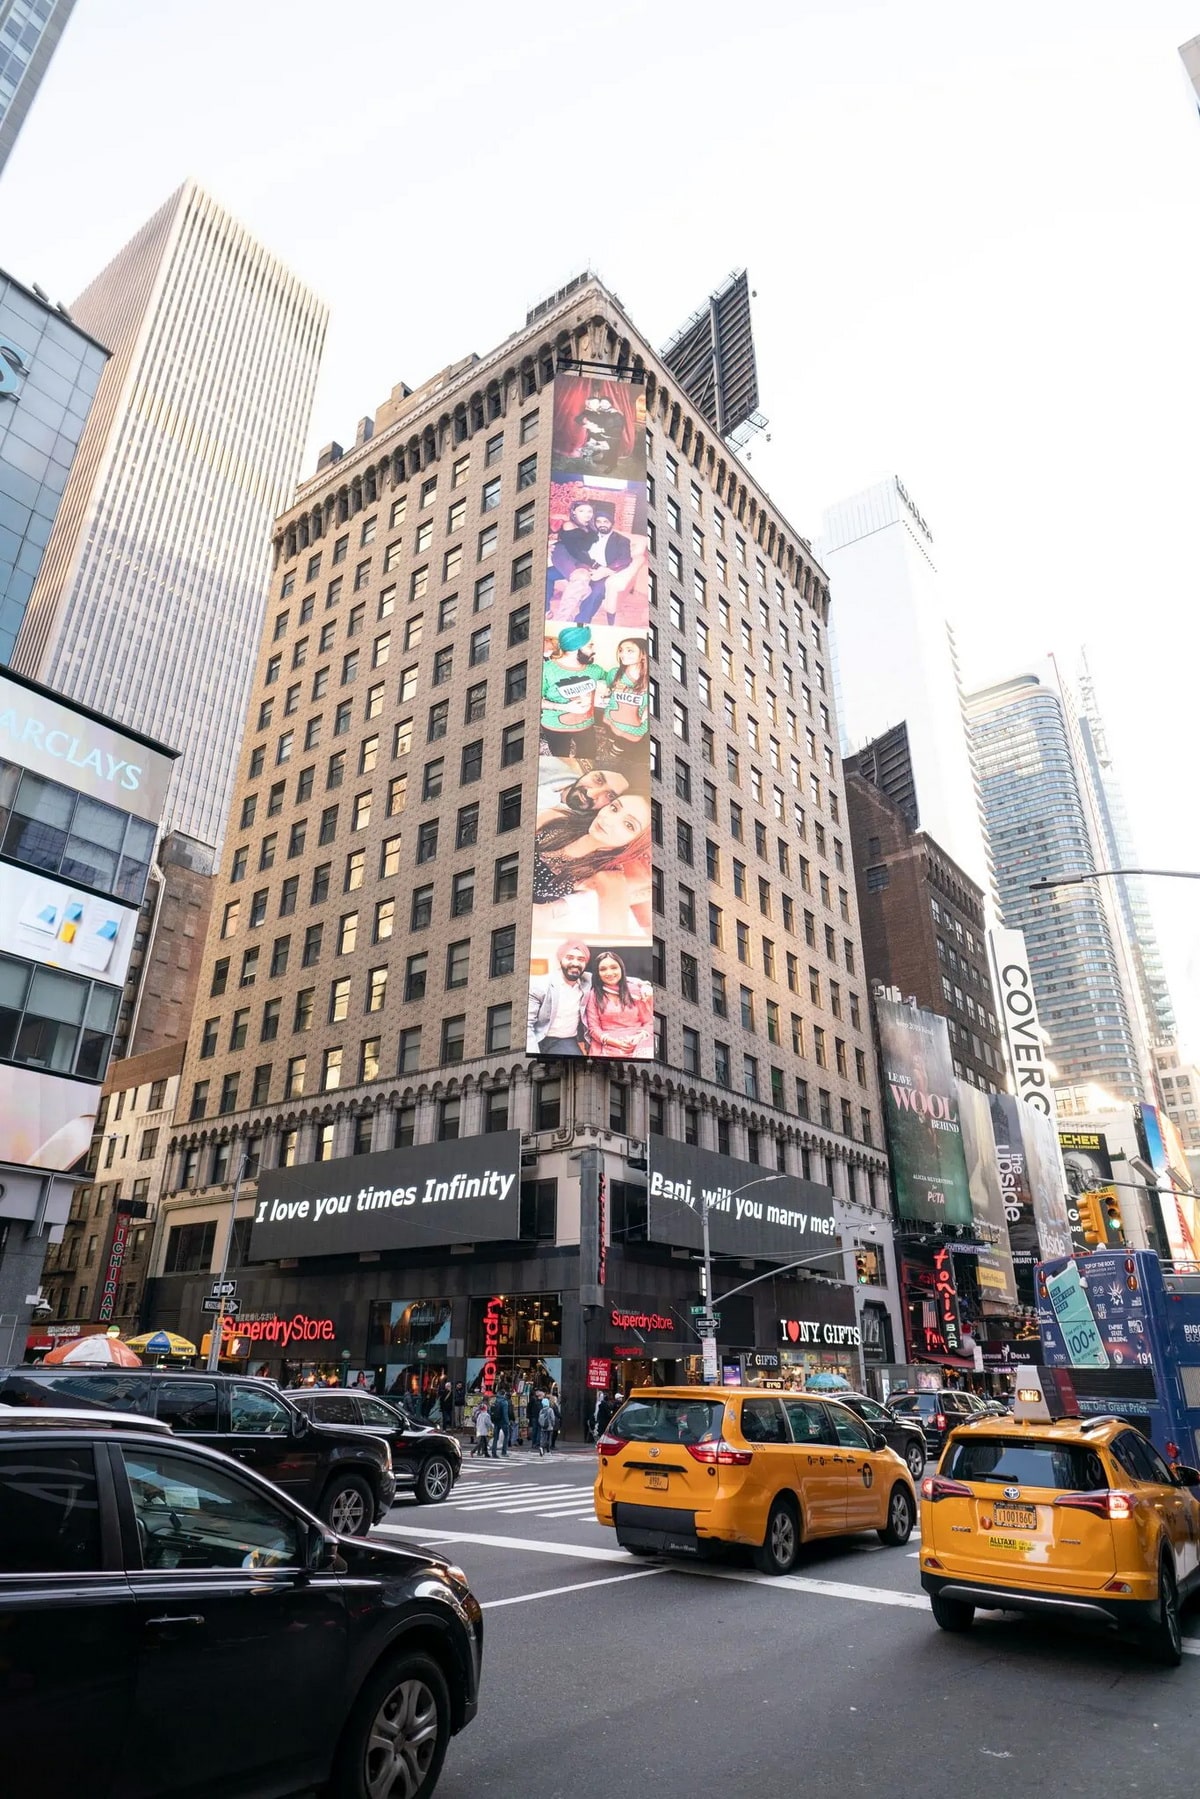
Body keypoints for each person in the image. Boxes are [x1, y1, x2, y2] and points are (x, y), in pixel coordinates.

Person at [532, 796, 653, 934]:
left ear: (633, 844)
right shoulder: (556, 819)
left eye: (628, 825)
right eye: (614, 808)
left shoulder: (608, 876)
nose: (609, 820)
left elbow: (616, 939)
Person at [540, 625, 600, 758]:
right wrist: (564, 707)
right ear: (575, 649)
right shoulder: (547, 669)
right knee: (561, 760)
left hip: (586, 725)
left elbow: (614, 680)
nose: (594, 650)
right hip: (555, 727)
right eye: (590, 646)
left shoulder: (595, 669)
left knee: (589, 757)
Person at [582, 949, 654, 1058]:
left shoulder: (637, 990)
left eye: (614, 967)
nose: (609, 973)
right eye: (603, 969)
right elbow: (593, 1028)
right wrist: (616, 1043)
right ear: (597, 973)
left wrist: (638, 1038)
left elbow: (649, 1022)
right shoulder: (594, 995)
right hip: (609, 1044)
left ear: (621, 968)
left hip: (639, 1042)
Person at [527, 939, 591, 1055]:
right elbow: (527, 1024)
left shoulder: (588, 981)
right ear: (560, 960)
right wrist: (533, 1054)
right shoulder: (541, 985)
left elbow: (615, 979)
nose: (575, 963)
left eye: (581, 959)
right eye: (570, 958)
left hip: (566, 1040)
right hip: (540, 1037)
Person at [595, 638, 650, 761]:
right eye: (621, 650)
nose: (623, 654)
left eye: (630, 650)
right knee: (611, 734)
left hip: (635, 726)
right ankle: (610, 741)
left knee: (622, 744)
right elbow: (609, 688)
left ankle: (612, 754)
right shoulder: (614, 673)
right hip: (612, 718)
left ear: (643, 655)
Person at [536, 767, 629, 831]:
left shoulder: (571, 831)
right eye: (598, 780)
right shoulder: (549, 766)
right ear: (587, 773)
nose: (591, 794)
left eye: (610, 796)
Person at [490, 1388, 510, 1457]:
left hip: (496, 1420)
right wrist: (507, 1422)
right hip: (503, 1422)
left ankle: (493, 1451)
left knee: (496, 1437)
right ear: (504, 1394)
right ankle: (504, 1452)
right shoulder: (504, 1402)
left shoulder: (496, 1401)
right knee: (506, 1436)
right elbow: (505, 1413)